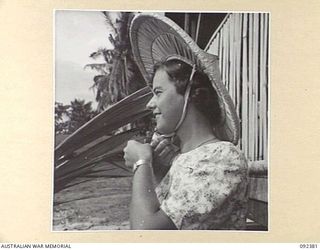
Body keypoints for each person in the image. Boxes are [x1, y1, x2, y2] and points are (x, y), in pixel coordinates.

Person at [123, 13, 248, 230]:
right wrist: (158, 171)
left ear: (189, 94)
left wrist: (141, 163)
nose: (150, 104)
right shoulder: (183, 159)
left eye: (158, 92)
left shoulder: (222, 158)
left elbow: (144, 233)